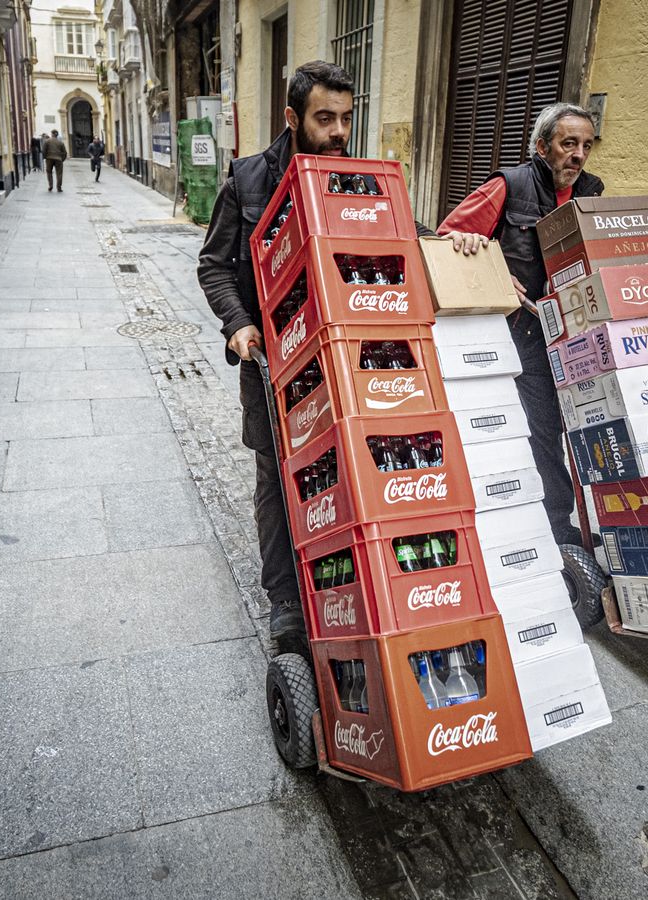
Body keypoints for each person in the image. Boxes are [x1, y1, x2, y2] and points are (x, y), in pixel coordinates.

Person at [197, 61, 462, 656]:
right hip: (275, 365)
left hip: (351, 358)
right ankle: (287, 602)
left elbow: (404, 234)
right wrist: (239, 325)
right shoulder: (247, 181)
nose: (340, 130)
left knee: (343, 470)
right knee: (277, 478)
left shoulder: (359, 176)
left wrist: (451, 241)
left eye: (346, 117)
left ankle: (341, 582)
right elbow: (213, 265)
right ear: (292, 118)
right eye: (325, 118)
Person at [437, 103, 603, 619]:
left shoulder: (591, 193)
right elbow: (445, 238)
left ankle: (559, 525)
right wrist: (488, 262)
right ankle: (552, 528)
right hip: (517, 333)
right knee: (535, 429)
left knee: (563, 431)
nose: (577, 155)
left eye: (585, 146)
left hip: (571, 332)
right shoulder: (508, 185)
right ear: (541, 146)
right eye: (567, 144)